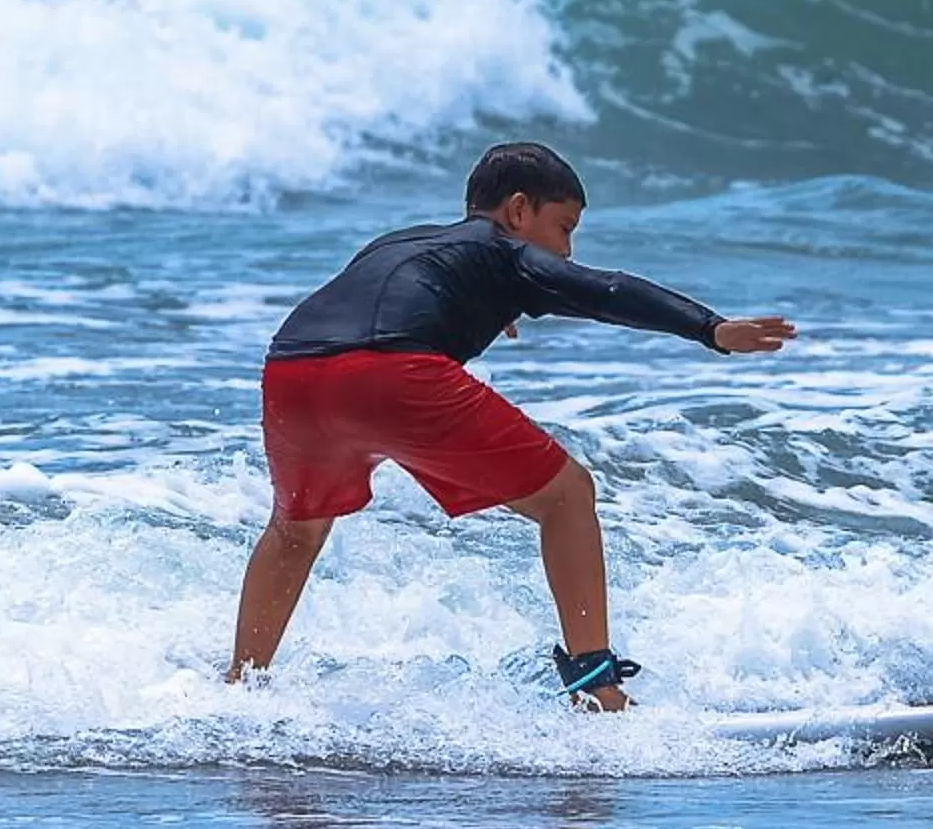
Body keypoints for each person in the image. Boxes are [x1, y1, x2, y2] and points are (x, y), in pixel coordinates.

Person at [227, 141, 794, 710]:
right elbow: (608, 291)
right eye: (564, 228)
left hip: (293, 372)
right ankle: (596, 687)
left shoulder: (400, 243)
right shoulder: (503, 250)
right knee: (569, 496)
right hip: (391, 372)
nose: (566, 251)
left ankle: (241, 688)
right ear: (518, 211)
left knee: (296, 530)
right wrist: (709, 329)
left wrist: (485, 308)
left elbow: (381, 296)